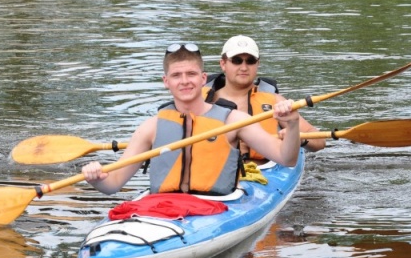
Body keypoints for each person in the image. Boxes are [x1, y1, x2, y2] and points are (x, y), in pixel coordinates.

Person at [81, 43, 303, 196]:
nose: (184, 81)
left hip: (217, 206)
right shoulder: (151, 127)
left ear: (203, 78)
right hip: (164, 208)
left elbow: (287, 158)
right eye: (177, 75)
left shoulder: (234, 120)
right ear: (166, 81)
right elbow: (114, 184)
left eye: (191, 74)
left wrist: (292, 124)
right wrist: (96, 178)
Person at [204, 35, 325, 162]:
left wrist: (297, 137)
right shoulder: (202, 101)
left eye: (250, 61)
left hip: (263, 171)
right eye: (236, 60)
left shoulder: (275, 101)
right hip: (215, 169)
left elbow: (319, 141)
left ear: (257, 64)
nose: (244, 67)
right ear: (223, 64)